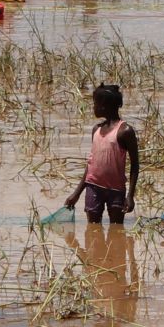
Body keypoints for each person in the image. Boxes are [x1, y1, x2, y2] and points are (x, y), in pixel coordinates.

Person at [63, 82, 139, 224]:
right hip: (93, 188)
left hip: (116, 190)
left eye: (95, 104)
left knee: (116, 229)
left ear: (104, 105)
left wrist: (130, 196)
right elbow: (91, 166)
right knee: (93, 230)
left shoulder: (125, 131)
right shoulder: (96, 130)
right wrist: (77, 193)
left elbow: (135, 165)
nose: (94, 108)